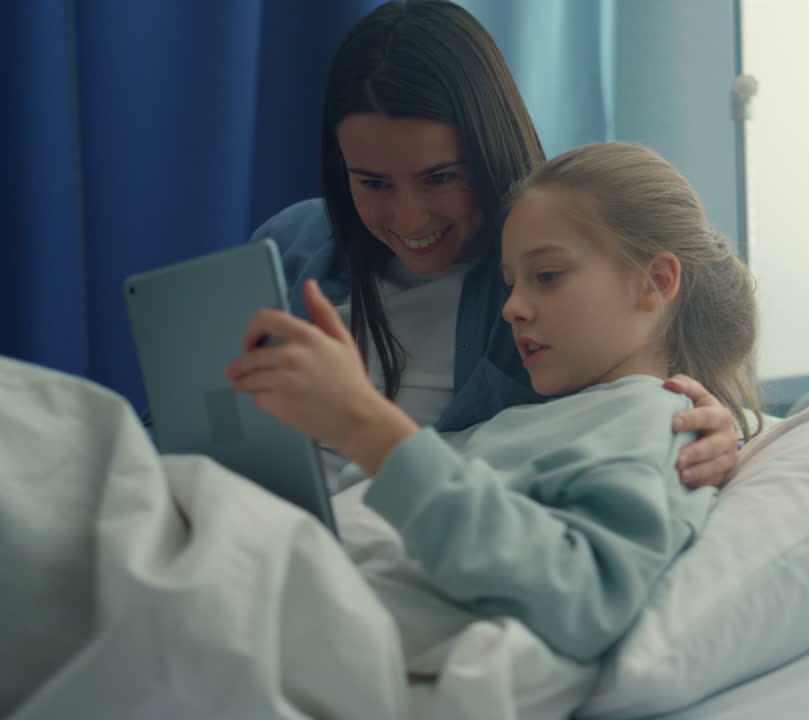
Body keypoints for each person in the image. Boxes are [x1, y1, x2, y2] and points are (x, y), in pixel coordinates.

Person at [225, 141, 763, 661]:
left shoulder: (655, 419)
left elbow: (584, 596)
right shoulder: (527, 418)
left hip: (290, 627)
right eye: (510, 284)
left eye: (546, 276)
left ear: (655, 281)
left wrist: (367, 426)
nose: (512, 309)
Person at [251, 0, 745, 489]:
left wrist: (718, 426)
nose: (408, 218)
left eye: (440, 177)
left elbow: (653, 376)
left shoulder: (549, 291)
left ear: (488, 148)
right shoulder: (290, 246)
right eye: (373, 183)